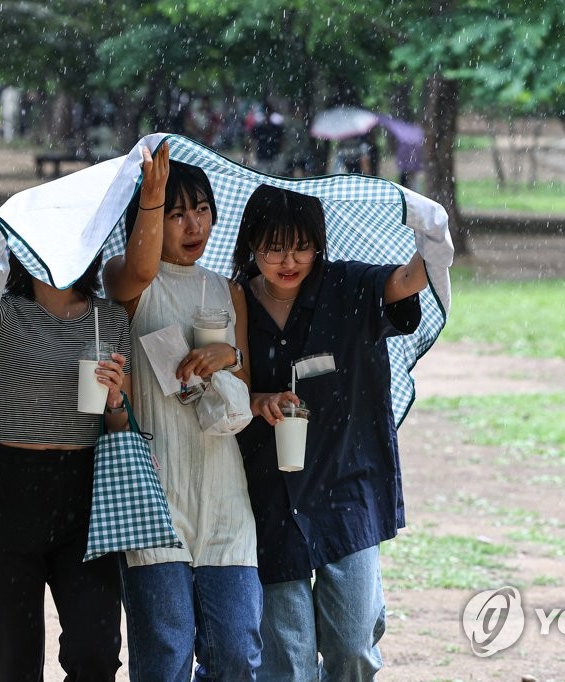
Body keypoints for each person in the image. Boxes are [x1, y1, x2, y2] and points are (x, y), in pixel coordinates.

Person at [230, 184, 428, 680]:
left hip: (347, 484)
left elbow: (408, 280)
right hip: (266, 495)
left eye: (301, 245)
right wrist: (258, 402)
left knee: (354, 645)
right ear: (252, 245)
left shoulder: (349, 287)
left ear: (319, 243)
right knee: (287, 663)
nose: (288, 260)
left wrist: (434, 236)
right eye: (273, 246)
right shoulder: (231, 303)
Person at [103, 142, 262, 680]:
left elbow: (239, 390)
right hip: (156, 493)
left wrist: (230, 356)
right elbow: (141, 269)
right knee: (166, 654)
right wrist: (150, 199)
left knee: (236, 650)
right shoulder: (124, 279)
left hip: (225, 495)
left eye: (201, 210)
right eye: (176, 214)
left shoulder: (226, 289)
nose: (193, 225)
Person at [0, 250, 132, 681]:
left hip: (85, 492)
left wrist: (116, 400)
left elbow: (120, 426)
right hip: (9, 489)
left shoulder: (109, 319)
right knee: (15, 659)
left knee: (96, 651)